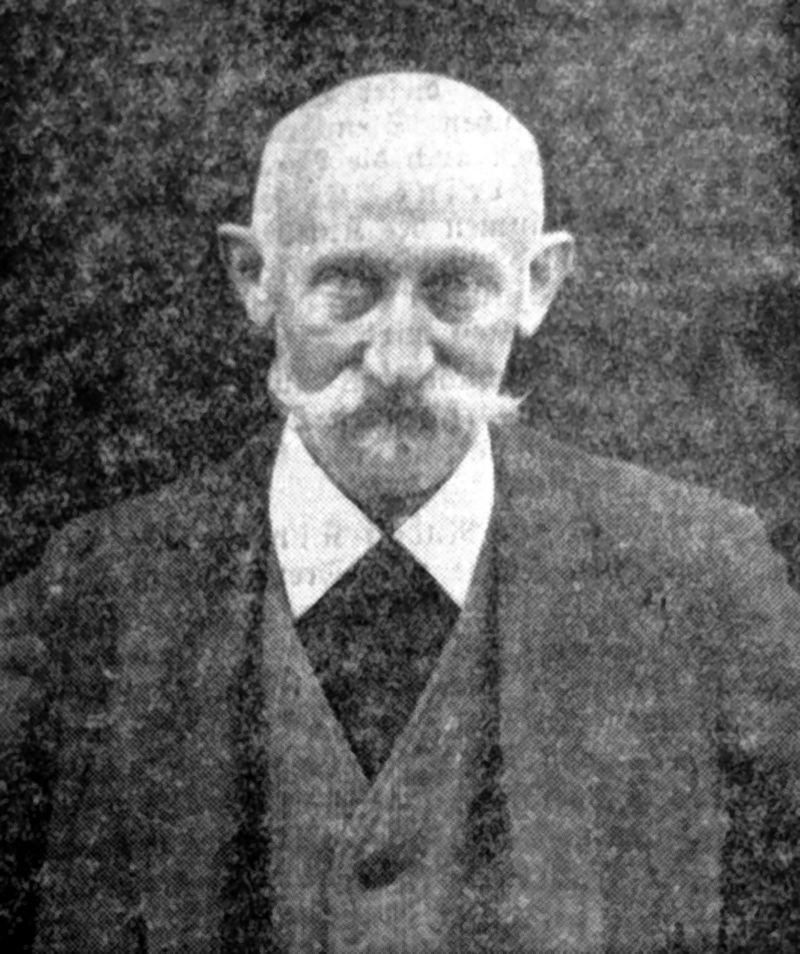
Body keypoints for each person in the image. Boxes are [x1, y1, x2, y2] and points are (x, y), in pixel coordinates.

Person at [1, 72, 799, 953]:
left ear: (537, 284)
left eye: (455, 287)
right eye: (349, 285)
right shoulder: (94, 598)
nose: (400, 359)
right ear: (254, 277)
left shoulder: (702, 581)